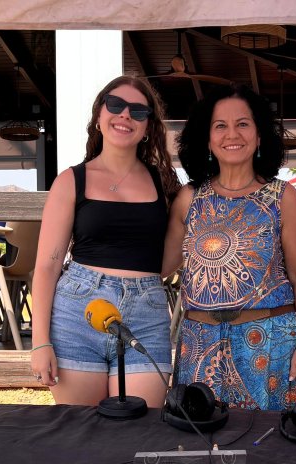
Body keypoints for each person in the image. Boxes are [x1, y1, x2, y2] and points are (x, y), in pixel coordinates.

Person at [162, 84, 296, 411]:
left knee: (270, 446)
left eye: (243, 124)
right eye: (220, 126)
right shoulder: (188, 200)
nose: (232, 134)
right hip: (198, 345)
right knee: (199, 445)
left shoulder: (282, 197)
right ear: (207, 139)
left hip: (270, 345)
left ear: (259, 136)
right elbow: (161, 267)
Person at [30, 76, 181, 407]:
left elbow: (167, 263)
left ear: (147, 126)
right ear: (99, 116)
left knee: (141, 432)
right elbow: (46, 265)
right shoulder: (72, 180)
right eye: (115, 105)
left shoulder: (165, 183)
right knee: (80, 433)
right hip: (78, 313)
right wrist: (40, 342)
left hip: (147, 313)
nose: (125, 115)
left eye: (138, 111)